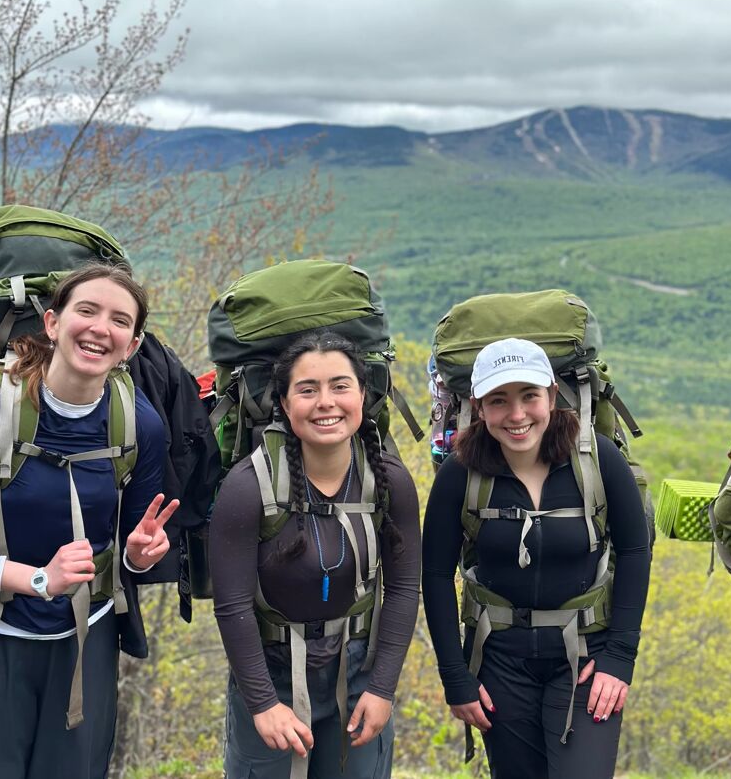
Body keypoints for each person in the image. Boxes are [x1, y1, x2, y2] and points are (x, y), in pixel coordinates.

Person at [422, 338, 651, 779]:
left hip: (587, 658)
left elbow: (636, 552)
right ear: (479, 406)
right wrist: (455, 676)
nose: (517, 415)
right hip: (499, 661)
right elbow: (434, 575)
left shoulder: (597, 459)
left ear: (551, 395)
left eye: (529, 396)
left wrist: (620, 658)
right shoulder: (460, 473)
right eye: (499, 400)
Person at [0, 263, 178, 779]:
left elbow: (133, 545)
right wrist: (36, 579)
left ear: (132, 346)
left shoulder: (139, 424)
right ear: (51, 322)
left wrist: (138, 557)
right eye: (86, 311)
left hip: (84, 638)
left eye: (119, 320)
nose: (99, 329)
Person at [210, 331, 420, 779]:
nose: (326, 402)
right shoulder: (249, 487)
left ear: (363, 394)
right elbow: (232, 606)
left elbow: (403, 588)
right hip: (272, 670)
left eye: (340, 386)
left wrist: (382, 687)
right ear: (284, 405)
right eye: (307, 390)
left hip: (359, 668)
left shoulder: (388, 480)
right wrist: (263, 704)